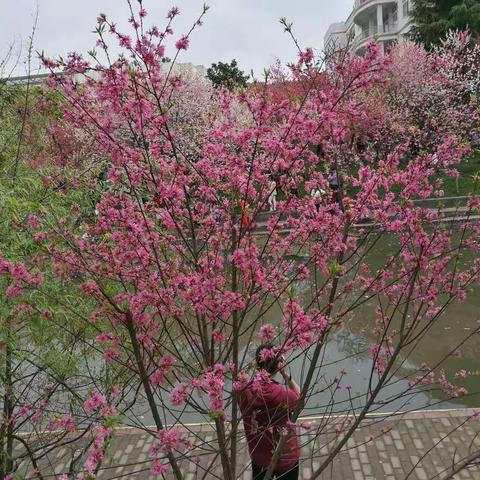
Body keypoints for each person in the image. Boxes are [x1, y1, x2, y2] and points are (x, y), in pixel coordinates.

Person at [238, 344, 301, 479]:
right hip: (285, 457)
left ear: (257, 363)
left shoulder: (244, 391)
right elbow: (299, 398)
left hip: (259, 457)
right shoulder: (284, 395)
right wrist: (285, 375)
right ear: (279, 364)